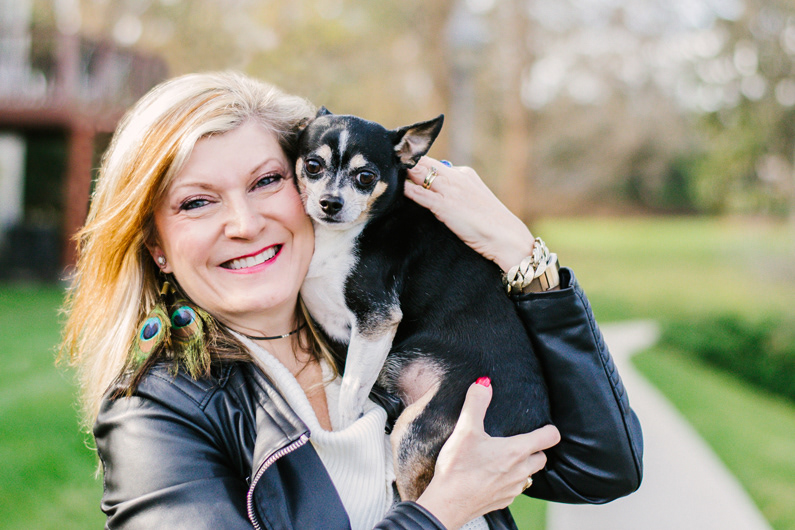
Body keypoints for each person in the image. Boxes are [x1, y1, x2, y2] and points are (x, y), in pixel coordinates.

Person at [60, 71, 642, 530]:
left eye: (266, 182)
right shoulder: (156, 415)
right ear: (156, 246)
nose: (245, 223)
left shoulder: (377, 333)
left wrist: (523, 257)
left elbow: (601, 468)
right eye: (196, 202)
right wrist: (440, 510)